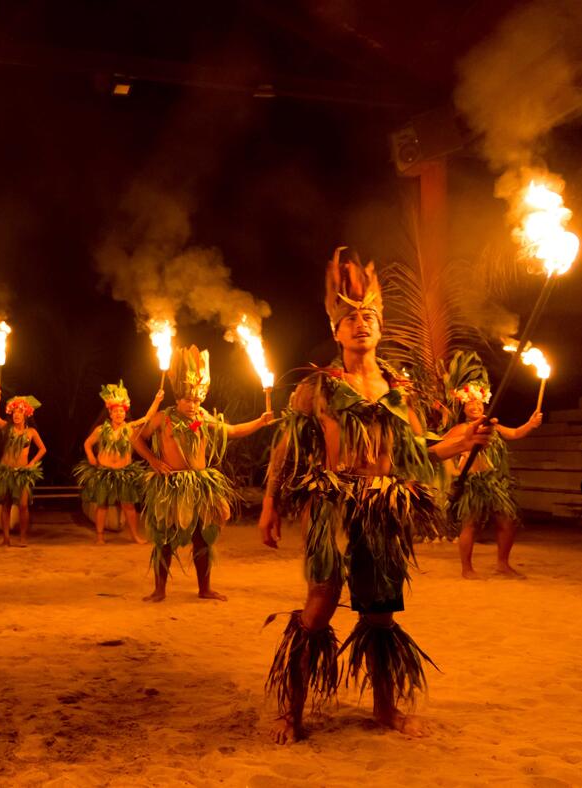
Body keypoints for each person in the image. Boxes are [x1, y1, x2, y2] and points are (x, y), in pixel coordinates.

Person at [259, 248, 494, 742]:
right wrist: (269, 506)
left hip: (384, 505)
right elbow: (284, 450)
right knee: (319, 605)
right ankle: (291, 712)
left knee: (381, 613)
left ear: (380, 327)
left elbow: (419, 450)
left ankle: (385, 709)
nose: (360, 324)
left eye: (368, 317)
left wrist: (463, 442)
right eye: (350, 319)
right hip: (332, 504)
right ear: (336, 331)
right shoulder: (318, 388)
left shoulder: (399, 390)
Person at [133, 345, 273, 602]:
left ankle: (204, 589)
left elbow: (232, 431)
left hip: (199, 485)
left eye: (197, 400)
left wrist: (260, 422)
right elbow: (136, 438)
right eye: (188, 400)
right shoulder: (163, 418)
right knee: (165, 539)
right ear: (178, 398)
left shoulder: (204, 418)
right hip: (171, 485)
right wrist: (153, 460)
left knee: (202, 539)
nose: (193, 405)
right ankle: (159, 590)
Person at [442, 351, 542, 579]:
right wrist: (454, 472)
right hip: (473, 483)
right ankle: (467, 569)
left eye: (478, 403)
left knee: (507, 521)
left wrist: (531, 423)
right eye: (470, 404)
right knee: (470, 525)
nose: (475, 406)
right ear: (464, 408)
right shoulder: (460, 429)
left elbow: (515, 433)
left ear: (484, 405)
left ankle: (502, 564)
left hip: (495, 483)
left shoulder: (492, 426)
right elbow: (443, 451)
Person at [74, 381, 163, 544]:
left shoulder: (129, 428)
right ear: (110, 413)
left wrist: (157, 400)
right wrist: (91, 457)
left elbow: (148, 417)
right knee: (102, 505)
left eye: (121, 411)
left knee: (128, 506)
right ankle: (100, 537)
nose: (119, 414)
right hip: (104, 472)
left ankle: (135, 536)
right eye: (115, 411)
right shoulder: (101, 430)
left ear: (125, 413)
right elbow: (87, 443)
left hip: (124, 473)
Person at [0, 392, 46, 547]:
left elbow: (42, 449)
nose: (16, 415)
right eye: (14, 412)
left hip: (22, 473)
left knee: (23, 505)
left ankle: (23, 537)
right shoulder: (7, 428)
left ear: (26, 414)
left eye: (20, 412)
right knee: (6, 505)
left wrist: (31, 463)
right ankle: (6, 538)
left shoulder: (31, 432)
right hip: (5, 471)